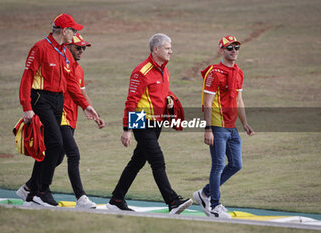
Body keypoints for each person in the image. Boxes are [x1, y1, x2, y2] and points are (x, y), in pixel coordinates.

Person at [17, 13, 99, 207]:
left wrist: (85, 105)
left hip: (58, 100)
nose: (75, 34)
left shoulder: (63, 51)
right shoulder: (40, 47)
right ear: (64, 31)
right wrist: (26, 106)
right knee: (56, 143)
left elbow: (71, 83)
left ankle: (31, 192)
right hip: (41, 98)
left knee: (51, 146)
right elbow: (27, 77)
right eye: (73, 30)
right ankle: (42, 191)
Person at [106, 33, 193, 214]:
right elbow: (131, 101)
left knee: (137, 162)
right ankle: (172, 201)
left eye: (170, 48)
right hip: (141, 122)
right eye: (168, 48)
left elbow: (161, 93)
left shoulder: (164, 69)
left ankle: (116, 199)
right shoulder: (141, 72)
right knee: (157, 161)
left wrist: (169, 100)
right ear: (156, 49)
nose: (171, 51)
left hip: (156, 123)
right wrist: (127, 129)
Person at [193, 35, 255, 218]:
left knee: (236, 164)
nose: (234, 51)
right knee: (218, 165)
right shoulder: (214, 73)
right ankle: (214, 206)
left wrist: (244, 123)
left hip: (232, 126)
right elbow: (208, 103)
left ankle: (204, 194)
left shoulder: (239, 72)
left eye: (236, 47)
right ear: (221, 50)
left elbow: (239, 99)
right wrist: (208, 128)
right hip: (218, 127)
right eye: (230, 48)